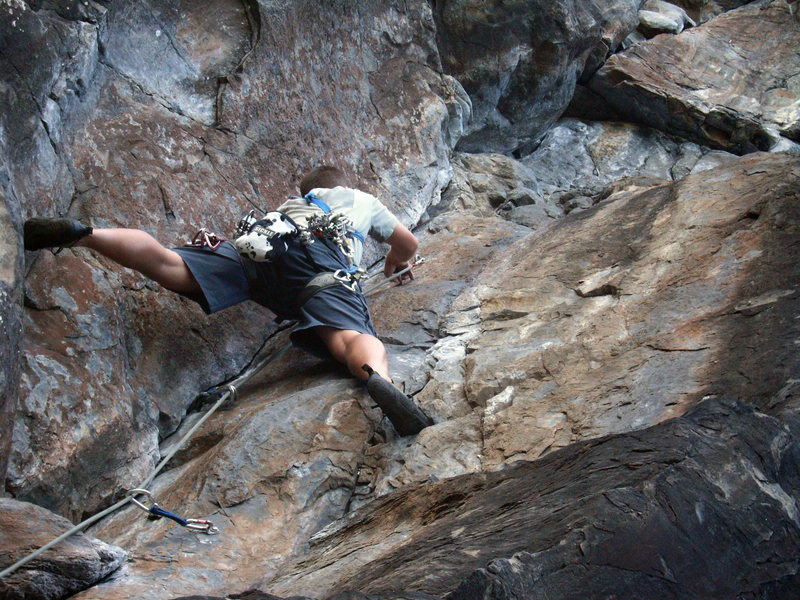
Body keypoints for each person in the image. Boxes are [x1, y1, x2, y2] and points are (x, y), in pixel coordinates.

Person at [24, 166, 432, 435]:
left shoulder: (295, 204)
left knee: (171, 263)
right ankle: (380, 380)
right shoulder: (361, 199)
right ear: (343, 180)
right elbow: (407, 243)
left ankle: (86, 234)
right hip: (321, 261)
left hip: (262, 248)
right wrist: (396, 262)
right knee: (347, 335)